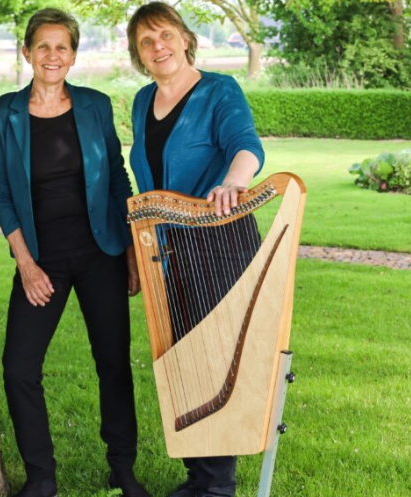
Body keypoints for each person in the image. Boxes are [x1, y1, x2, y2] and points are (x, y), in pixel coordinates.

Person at [0, 8, 149, 497]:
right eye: (43, 46)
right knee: (18, 368)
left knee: (113, 364)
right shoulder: (7, 113)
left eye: (62, 47)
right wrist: (25, 263)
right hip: (42, 259)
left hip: (100, 251)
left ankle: (122, 469)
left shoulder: (95, 106)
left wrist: (128, 250)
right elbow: (0, 192)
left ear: (74, 55)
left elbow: (119, 178)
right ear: (27, 53)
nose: (52, 56)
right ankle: (41, 477)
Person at [125, 3, 266, 497]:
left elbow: (246, 144)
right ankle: (198, 476)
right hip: (164, 248)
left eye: (164, 35)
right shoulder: (143, 101)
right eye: (146, 41)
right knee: (180, 359)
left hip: (218, 241)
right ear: (138, 54)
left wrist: (233, 181)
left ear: (184, 38)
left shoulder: (219, 90)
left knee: (214, 359)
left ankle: (218, 484)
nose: (158, 46)